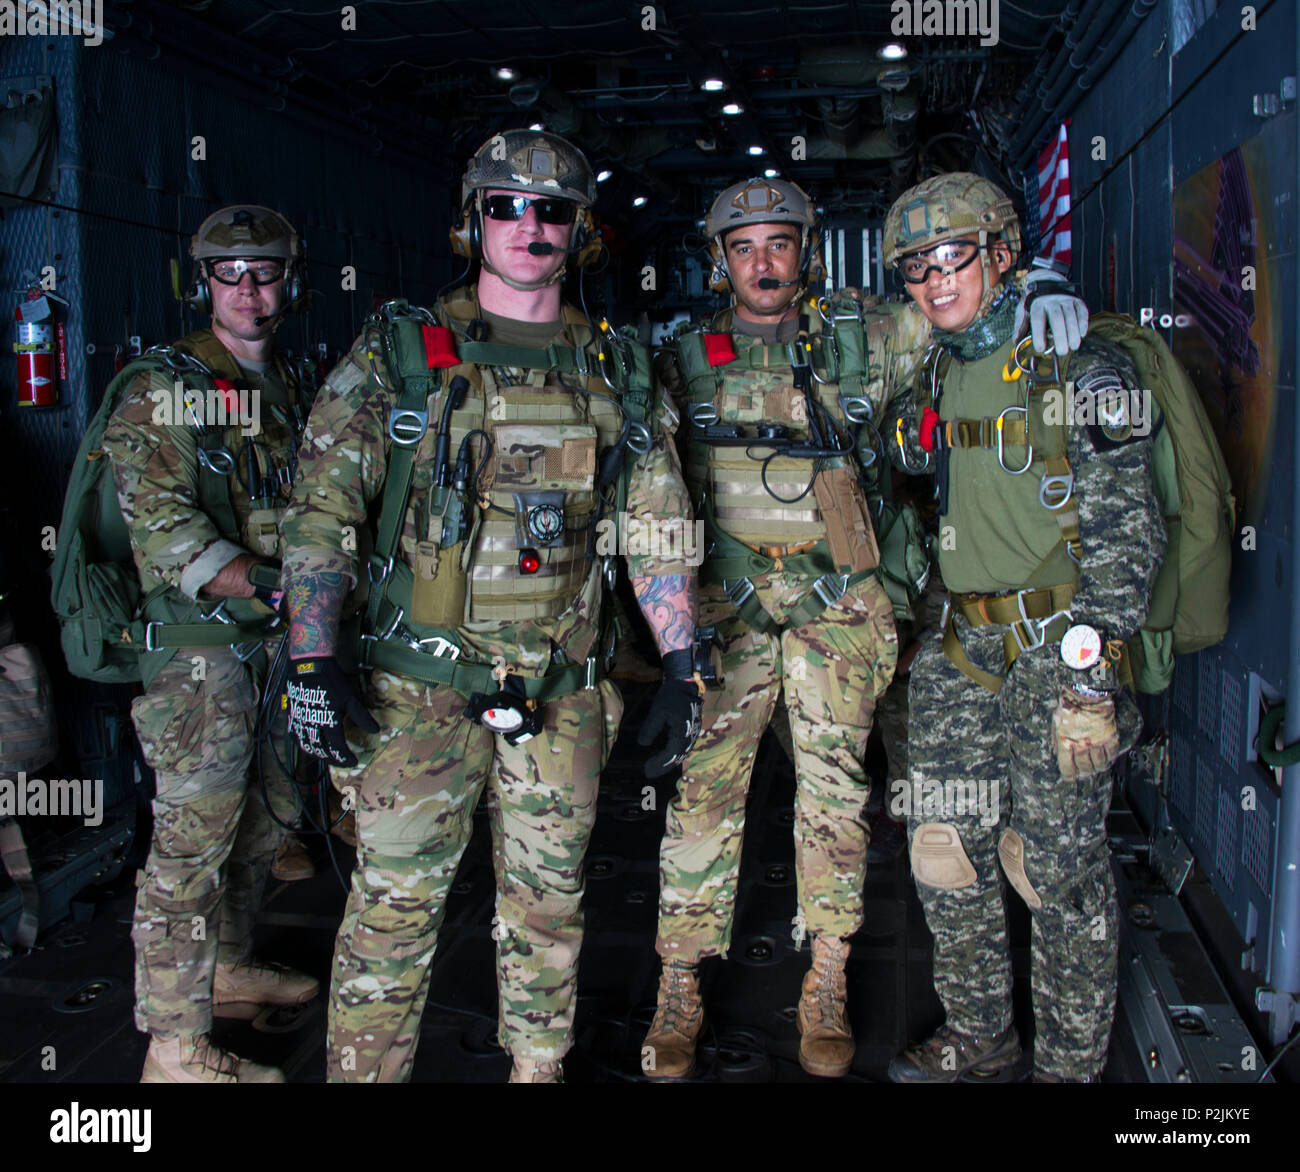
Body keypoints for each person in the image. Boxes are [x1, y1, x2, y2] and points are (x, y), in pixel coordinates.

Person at [643, 176, 1095, 1081]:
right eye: (743, 247)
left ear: (807, 251)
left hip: (836, 609)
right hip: (727, 613)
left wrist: (1042, 280)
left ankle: (829, 979)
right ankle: (678, 984)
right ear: (719, 260)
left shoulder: (863, 335)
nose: (763, 263)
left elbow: (965, 305)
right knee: (701, 802)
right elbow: (644, 482)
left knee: (835, 799)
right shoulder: (681, 358)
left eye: (780, 243)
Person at [279, 129, 700, 1083]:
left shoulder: (618, 368)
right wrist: (311, 658)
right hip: (415, 692)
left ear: (581, 230)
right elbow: (320, 517)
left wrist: (681, 660)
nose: (530, 227)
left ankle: (538, 1070)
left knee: (549, 907)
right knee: (391, 914)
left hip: (562, 692)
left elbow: (659, 523)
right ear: (473, 223)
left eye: (553, 210)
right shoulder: (400, 350)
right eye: (506, 206)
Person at [881, 172, 1166, 1082]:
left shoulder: (1082, 368)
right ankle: (982, 1035)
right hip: (965, 647)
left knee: (1058, 873)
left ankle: (1072, 1068)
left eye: (952, 257)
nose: (934, 281)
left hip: (1060, 651)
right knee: (945, 853)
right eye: (916, 267)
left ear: (1002, 253)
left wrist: (1091, 682)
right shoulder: (935, 362)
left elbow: (1131, 532)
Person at [101, 205, 320, 1082]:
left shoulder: (289, 383)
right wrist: (286, 586)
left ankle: (226, 964)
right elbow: (166, 535)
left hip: (266, 648)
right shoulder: (164, 385)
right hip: (198, 656)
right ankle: (173, 1046)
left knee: (264, 820)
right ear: (203, 283)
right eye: (228, 274)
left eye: (264, 272)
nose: (247, 290)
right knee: (190, 845)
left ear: (289, 282)